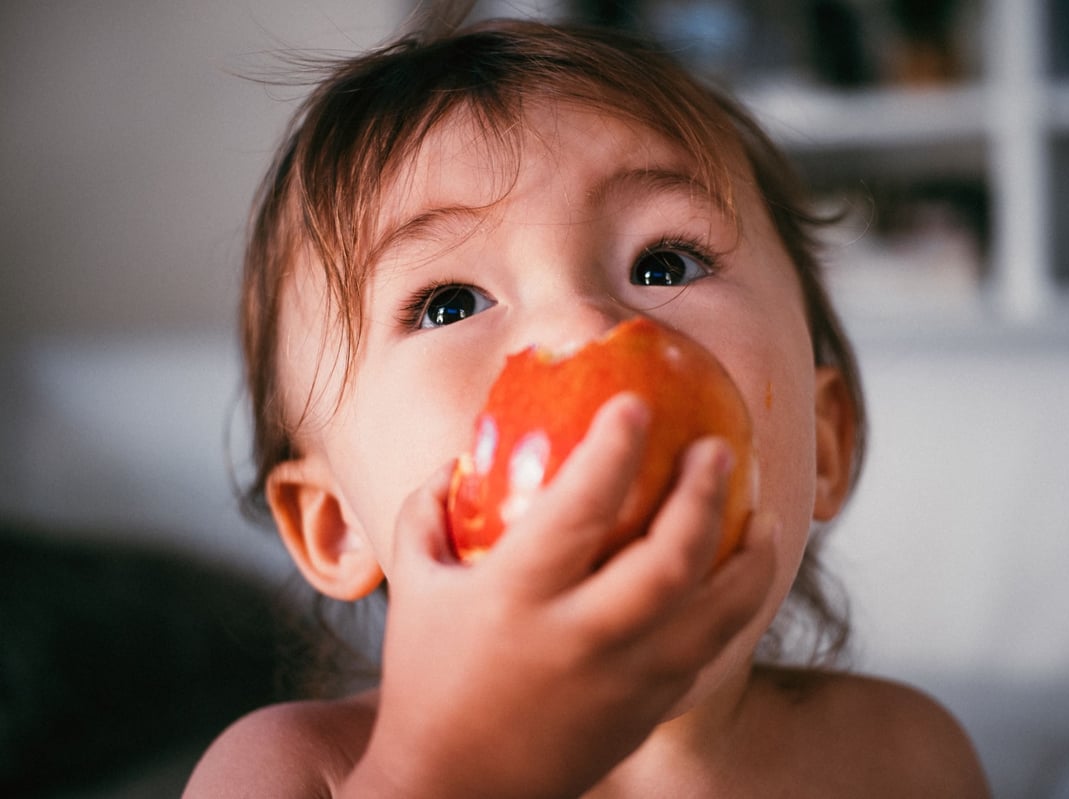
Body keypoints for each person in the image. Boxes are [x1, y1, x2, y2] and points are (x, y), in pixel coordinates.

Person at [185, 14, 989, 798]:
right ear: (334, 523)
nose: (581, 327)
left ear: (825, 440)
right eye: (448, 303)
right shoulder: (290, 771)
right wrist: (451, 771)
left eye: (666, 262)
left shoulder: (902, 758)